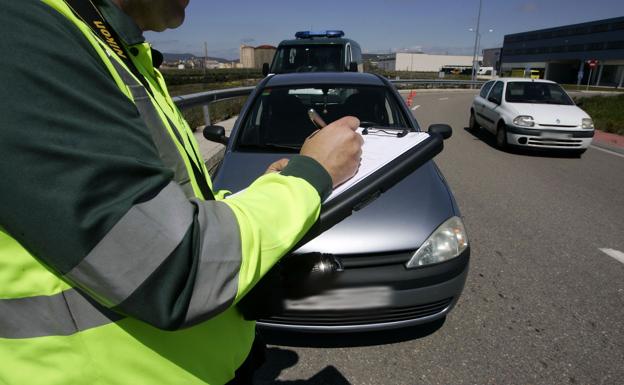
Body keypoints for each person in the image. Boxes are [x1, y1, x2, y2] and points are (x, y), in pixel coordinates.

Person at [0, 0, 363, 384]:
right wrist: (312, 173)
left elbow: (168, 213)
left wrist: (267, 189)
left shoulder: (120, 52)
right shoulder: (23, 35)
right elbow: (171, 269)